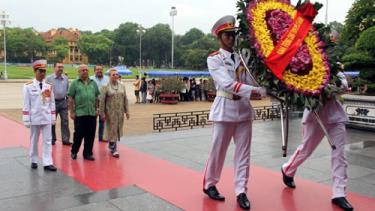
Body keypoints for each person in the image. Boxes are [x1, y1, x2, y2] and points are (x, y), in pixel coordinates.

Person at [202, 15, 266, 210]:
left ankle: (241, 191)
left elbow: (252, 79)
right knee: (218, 151)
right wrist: (256, 91)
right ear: (219, 37)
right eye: (227, 35)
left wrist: (263, 85)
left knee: (243, 154)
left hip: (244, 110)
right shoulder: (215, 58)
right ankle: (210, 184)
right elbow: (227, 84)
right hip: (225, 108)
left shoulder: (244, 57)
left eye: (233, 34)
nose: (231, 38)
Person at [281, 68, 354, 211]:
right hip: (314, 115)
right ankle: (288, 169)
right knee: (306, 150)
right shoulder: (301, 65)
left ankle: (339, 194)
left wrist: (322, 85)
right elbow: (296, 87)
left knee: (339, 155)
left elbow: (343, 85)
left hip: (335, 116)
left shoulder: (333, 64)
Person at [22, 59, 57, 171]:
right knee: (34, 140)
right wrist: (26, 119)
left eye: (44, 71)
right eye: (40, 71)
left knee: (47, 140)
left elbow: (52, 102)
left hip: (46, 117)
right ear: (35, 71)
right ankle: (33, 160)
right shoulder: (28, 86)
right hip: (35, 117)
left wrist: (53, 117)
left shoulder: (49, 86)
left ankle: (48, 162)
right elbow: (26, 104)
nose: (43, 74)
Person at [69, 64, 100, 161]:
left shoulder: (93, 83)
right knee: (78, 134)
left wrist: (97, 109)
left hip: (92, 113)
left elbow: (97, 97)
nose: (85, 71)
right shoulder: (75, 83)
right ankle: (74, 151)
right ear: (79, 72)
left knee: (90, 135)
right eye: (83, 70)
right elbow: (70, 98)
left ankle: (87, 153)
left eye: (86, 70)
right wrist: (72, 112)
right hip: (80, 113)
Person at [99, 69, 130, 157]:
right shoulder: (105, 86)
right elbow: (102, 101)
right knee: (112, 129)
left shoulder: (122, 86)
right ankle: (114, 148)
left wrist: (127, 111)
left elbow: (125, 99)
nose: (115, 76)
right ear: (109, 76)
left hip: (119, 112)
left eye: (117, 74)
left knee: (117, 129)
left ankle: (111, 144)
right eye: (113, 75)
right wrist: (102, 113)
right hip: (110, 112)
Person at [46, 63, 71, 145]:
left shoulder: (65, 78)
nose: (60, 68)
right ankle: (52, 139)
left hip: (63, 102)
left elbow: (68, 90)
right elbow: (45, 92)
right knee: (52, 121)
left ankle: (66, 139)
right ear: (54, 68)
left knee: (65, 121)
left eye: (62, 67)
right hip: (53, 103)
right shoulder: (49, 78)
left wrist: (68, 102)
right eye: (59, 67)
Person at [90, 65, 109, 142]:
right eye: (97, 69)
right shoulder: (91, 79)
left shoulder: (107, 79)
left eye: (101, 69)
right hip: (93, 103)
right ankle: (91, 137)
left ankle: (101, 137)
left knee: (103, 120)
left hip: (104, 103)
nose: (99, 71)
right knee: (92, 122)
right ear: (94, 70)